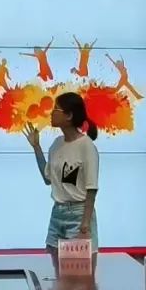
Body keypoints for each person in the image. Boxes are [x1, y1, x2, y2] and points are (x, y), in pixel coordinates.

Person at [23, 92, 99, 260]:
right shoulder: (57, 144)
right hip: (57, 213)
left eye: (56, 109)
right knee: (55, 266)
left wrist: (85, 224)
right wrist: (36, 147)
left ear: (69, 115)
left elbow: (92, 189)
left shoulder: (86, 146)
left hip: (79, 214)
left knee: (76, 270)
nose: (51, 113)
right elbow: (47, 178)